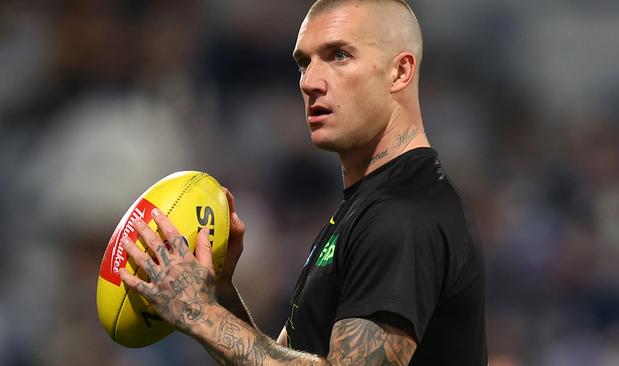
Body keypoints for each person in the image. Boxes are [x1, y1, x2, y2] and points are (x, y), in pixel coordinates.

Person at [119, 0, 487, 364]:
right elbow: (290, 358)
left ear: (400, 72)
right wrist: (219, 297)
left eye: (339, 55)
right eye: (303, 63)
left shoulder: (405, 214)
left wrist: (203, 315)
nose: (310, 82)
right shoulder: (366, 207)